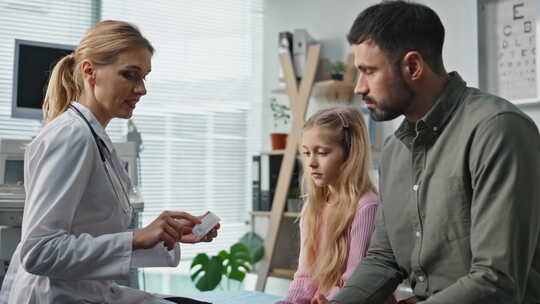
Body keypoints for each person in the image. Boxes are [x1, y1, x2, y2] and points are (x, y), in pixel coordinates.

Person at [314, 1, 540, 304]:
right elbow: (385, 258)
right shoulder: (394, 152)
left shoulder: (498, 130)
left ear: (413, 67)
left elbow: (495, 280)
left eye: (369, 72)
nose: (359, 88)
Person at [0, 20, 219, 304]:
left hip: (89, 292)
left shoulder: (93, 137)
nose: (142, 89)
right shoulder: (71, 137)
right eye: (130, 75)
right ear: (90, 71)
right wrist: (136, 237)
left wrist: (163, 236)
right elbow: (39, 252)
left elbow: (90, 237)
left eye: (144, 77)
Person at [277, 107, 396, 304]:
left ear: (350, 155)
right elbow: (305, 276)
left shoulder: (367, 207)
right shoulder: (312, 208)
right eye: (307, 153)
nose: (311, 163)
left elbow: (356, 280)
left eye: (322, 153)